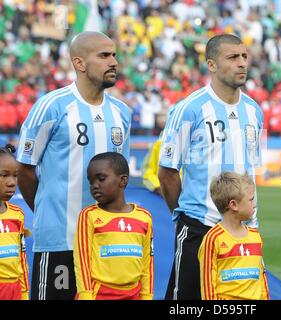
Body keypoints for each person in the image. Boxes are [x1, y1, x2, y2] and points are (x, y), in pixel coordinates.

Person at [16, 31, 131, 300]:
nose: (113, 61)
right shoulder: (51, 106)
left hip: (108, 242)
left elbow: (120, 175)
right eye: (104, 55)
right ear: (79, 63)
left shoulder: (121, 113)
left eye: (114, 54)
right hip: (60, 240)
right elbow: (25, 169)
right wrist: (48, 212)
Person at [158, 34, 264, 300]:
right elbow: (167, 172)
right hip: (200, 228)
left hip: (244, 231)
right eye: (232, 57)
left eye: (243, 56)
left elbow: (250, 170)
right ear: (212, 65)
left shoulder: (254, 111)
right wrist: (186, 218)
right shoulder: (189, 109)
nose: (241, 63)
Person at [74, 152, 154, 300]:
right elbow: (82, 261)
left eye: (101, 179)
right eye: (90, 181)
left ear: (123, 180)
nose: (94, 186)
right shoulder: (88, 215)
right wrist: (85, 295)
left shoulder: (144, 217)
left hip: (134, 295)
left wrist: (147, 296)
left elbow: (147, 264)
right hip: (100, 294)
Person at [198, 172, 269, 300]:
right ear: (233, 205)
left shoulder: (255, 236)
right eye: (251, 199)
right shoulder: (213, 238)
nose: (255, 204)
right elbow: (208, 286)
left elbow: (262, 279)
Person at [0, 144, 30, 300]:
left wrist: (24, 293)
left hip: (14, 290)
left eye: (15, 175)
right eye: (4, 175)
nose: (12, 182)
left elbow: (22, 258)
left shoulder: (17, 214)